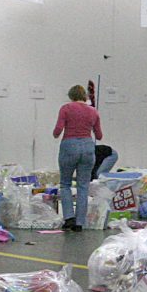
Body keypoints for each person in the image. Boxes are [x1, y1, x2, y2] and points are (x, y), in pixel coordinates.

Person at [52, 85, 102, 231]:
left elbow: (58, 130)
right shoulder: (93, 111)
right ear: (85, 96)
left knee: (65, 184)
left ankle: (69, 218)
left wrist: (56, 134)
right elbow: (99, 135)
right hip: (88, 147)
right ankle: (80, 222)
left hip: (69, 146)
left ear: (71, 96)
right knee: (83, 186)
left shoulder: (66, 108)